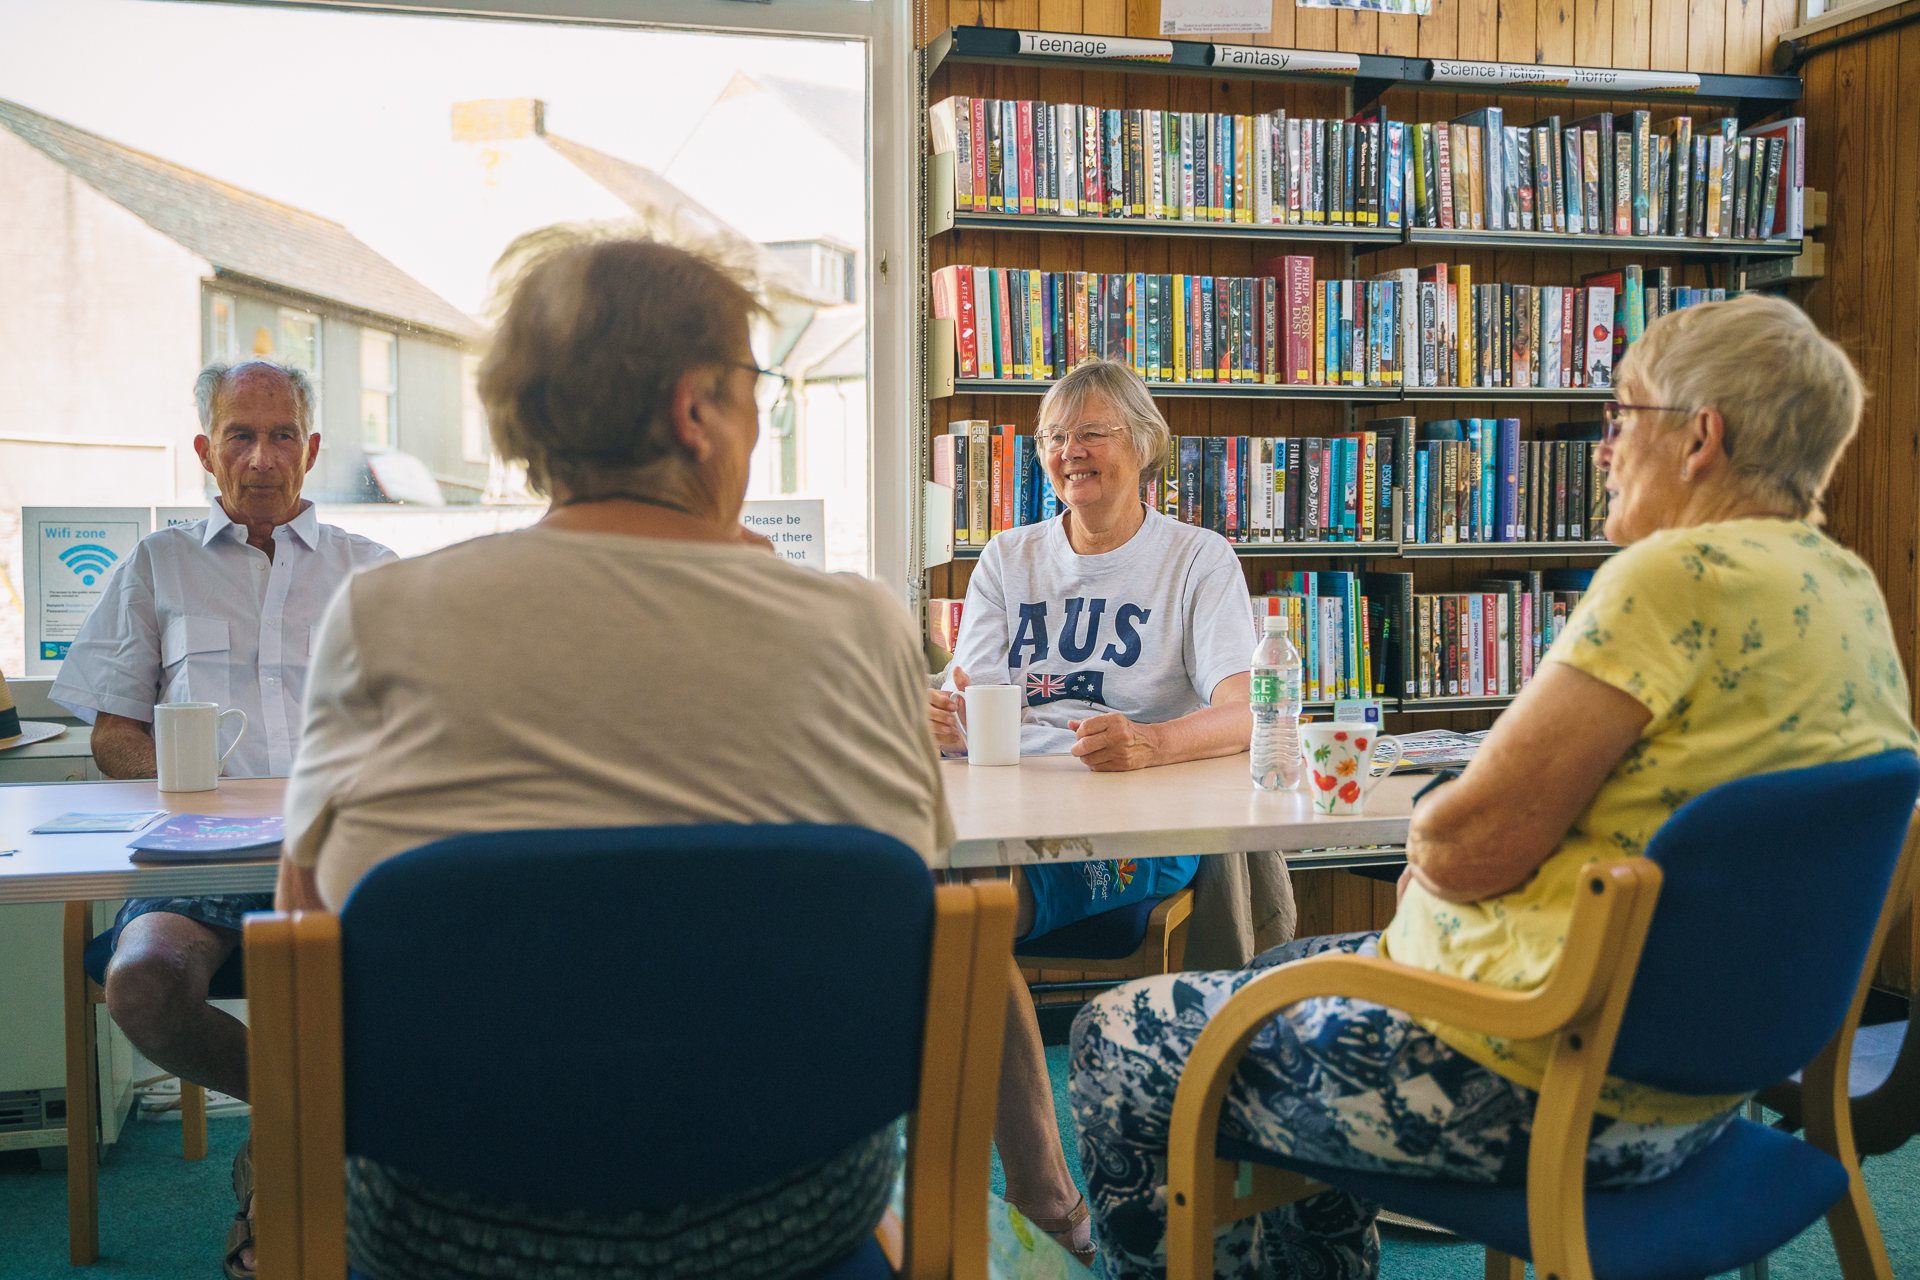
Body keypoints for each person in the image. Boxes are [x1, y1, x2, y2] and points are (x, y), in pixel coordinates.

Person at [1070, 294, 1920, 1279]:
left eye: (1621, 417)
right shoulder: (1849, 585)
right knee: (1286, 965)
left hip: (1532, 1082)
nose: (1602, 448)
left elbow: (1461, 844)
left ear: (1702, 438)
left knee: (1113, 1034)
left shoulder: (1668, 578)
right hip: (1702, 1085)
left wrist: (1432, 843)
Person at [275, 235, 953, 1280]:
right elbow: (909, 916)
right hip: (787, 1226)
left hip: (451, 1234)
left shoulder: (382, 612)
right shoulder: (861, 625)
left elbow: (305, 937)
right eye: (754, 390)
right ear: (695, 411)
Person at [928, 359, 1294, 1264]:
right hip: (1004, 807)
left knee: (963, 916)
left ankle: (1047, 1202)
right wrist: (939, 714)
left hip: (1135, 823)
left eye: (1091, 433)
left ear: (1144, 446)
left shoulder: (1195, 557)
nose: (1068, 453)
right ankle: (1012, 1196)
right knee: (942, 903)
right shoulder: (1008, 559)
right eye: (1054, 437)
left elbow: (1249, 709)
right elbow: (972, 694)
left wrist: (1152, 744)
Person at [49, 358, 394, 1280]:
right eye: (240, 434)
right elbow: (112, 737)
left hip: (335, 856)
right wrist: (188, 782)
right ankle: (301, 1137)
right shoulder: (157, 564)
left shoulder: (374, 576)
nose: (262, 456)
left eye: (282, 435)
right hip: (197, 862)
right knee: (142, 985)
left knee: (441, 966)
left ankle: (288, 1175)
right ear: (206, 450)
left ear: (312, 450)